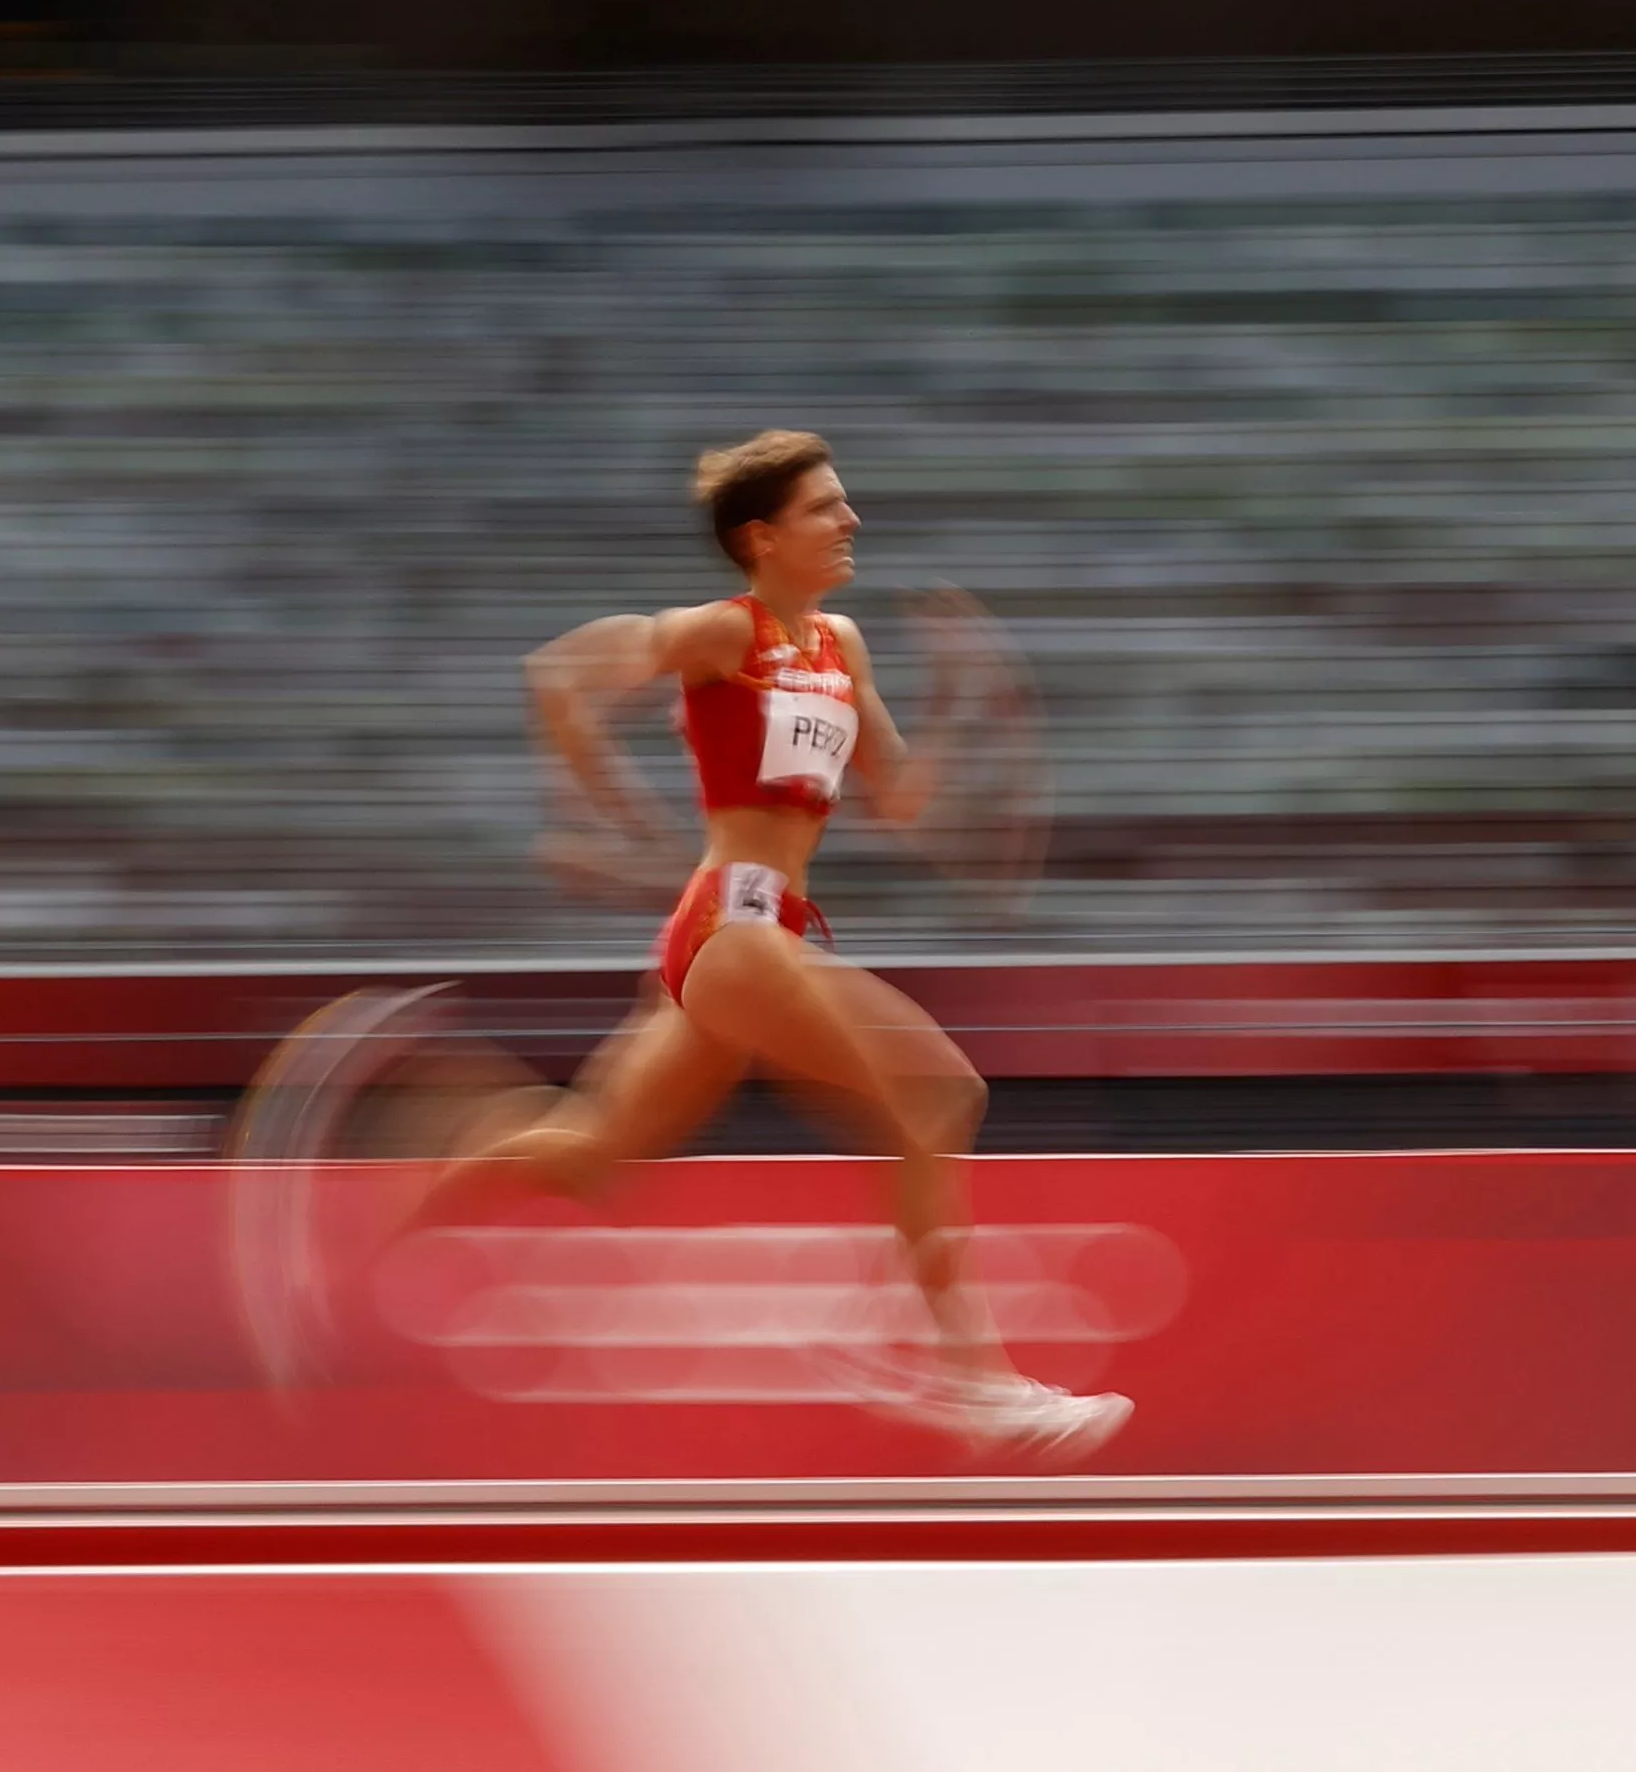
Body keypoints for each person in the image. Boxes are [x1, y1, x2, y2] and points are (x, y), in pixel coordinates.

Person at [234, 431, 1129, 1460]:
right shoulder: (722, 634)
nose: (851, 520)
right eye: (825, 506)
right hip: (731, 933)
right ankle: (963, 1375)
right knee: (937, 1098)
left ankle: (358, 1220)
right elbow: (558, 675)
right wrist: (610, 812)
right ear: (762, 535)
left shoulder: (842, 646)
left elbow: (906, 801)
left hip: (760, 936)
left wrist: (971, 706)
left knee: (593, 1153)